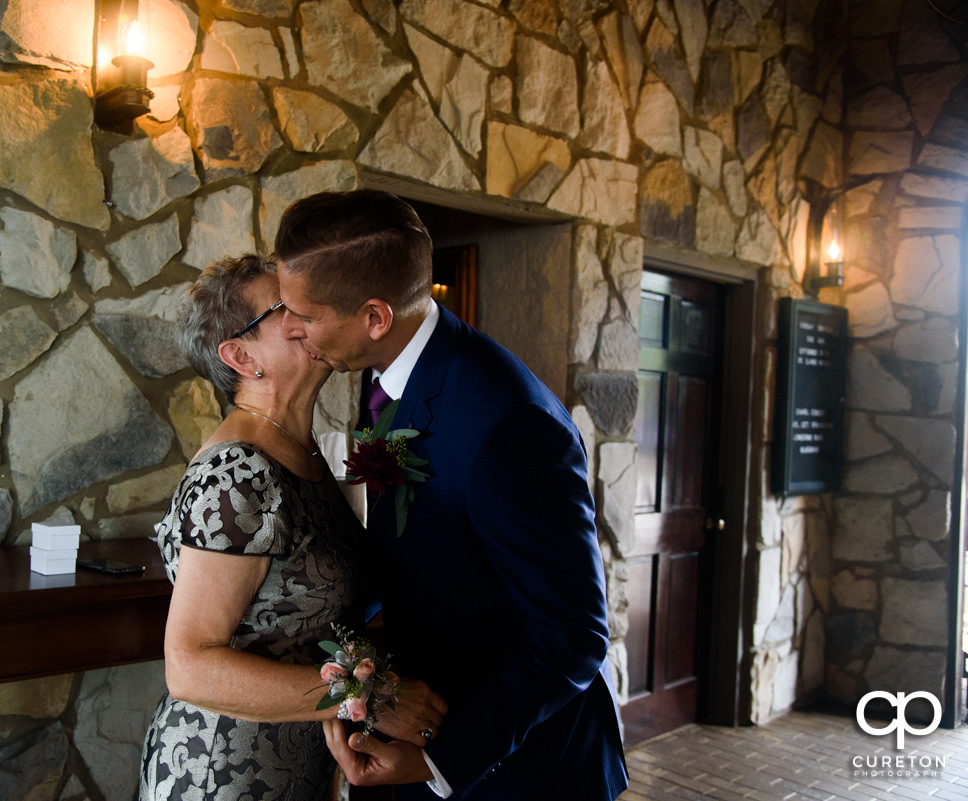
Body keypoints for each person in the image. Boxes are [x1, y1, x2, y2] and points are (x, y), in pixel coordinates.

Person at [274, 191, 629, 801]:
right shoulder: (389, 376)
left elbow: (571, 636)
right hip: (422, 721)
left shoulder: (508, 423)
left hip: (515, 769)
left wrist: (442, 761)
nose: (287, 329)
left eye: (301, 314)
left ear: (376, 317)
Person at [138, 254, 446, 801]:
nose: (307, 314)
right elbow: (189, 666)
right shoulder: (234, 473)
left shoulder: (302, 451)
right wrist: (372, 696)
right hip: (225, 773)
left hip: (295, 767)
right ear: (239, 354)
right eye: (285, 308)